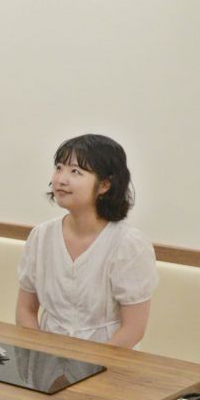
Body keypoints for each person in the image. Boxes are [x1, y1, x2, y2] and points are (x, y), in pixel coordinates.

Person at [16, 134, 157, 348]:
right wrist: (40, 354)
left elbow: (133, 329)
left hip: (110, 360)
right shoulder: (41, 235)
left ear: (104, 185)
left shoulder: (128, 244)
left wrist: (88, 363)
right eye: (59, 167)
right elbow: (25, 310)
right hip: (46, 356)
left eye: (75, 171)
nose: (61, 179)